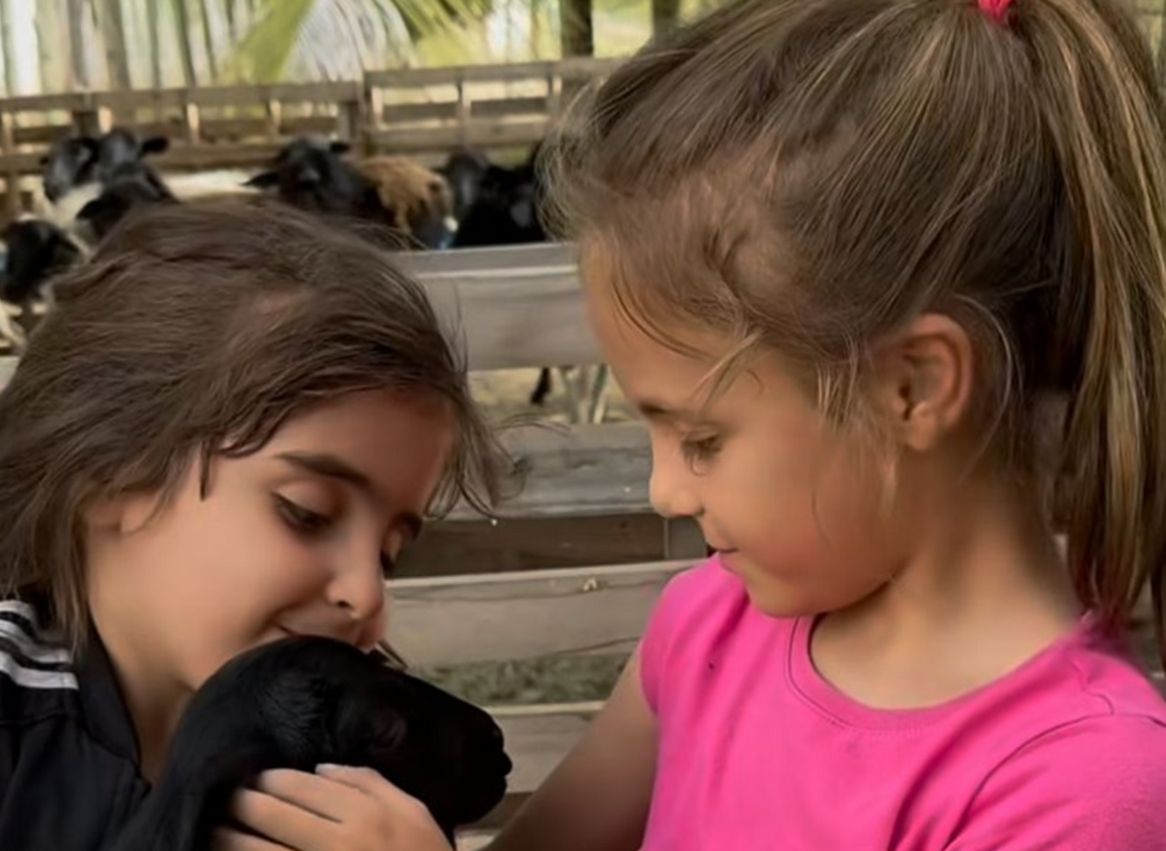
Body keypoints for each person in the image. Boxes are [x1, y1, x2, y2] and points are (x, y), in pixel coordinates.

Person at [329, 0, 1166, 848]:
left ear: (910, 387)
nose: (663, 491)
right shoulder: (708, 631)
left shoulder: (1078, 789)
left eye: (702, 439)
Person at [0, 196, 513, 848]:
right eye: (306, 512)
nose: (366, 594)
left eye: (390, 555)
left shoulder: (361, 746)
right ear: (109, 475)